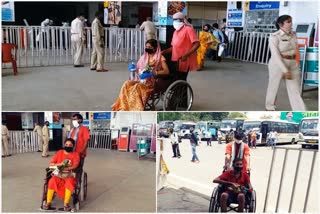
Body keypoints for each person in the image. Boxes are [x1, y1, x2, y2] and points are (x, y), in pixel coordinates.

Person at [111, 39, 169, 111]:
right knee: (126, 84)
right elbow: (139, 70)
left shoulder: (160, 58)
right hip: (140, 79)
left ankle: (135, 109)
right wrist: (133, 68)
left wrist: (153, 73)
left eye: (150, 47)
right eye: (146, 46)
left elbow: (166, 71)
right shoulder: (144, 57)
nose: (147, 48)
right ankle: (123, 107)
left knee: (136, 88)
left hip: (150, 83)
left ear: (155, 48)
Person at [265, 15, 306, 111]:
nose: (291, 23)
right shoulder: (274, 36)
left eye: (291, 21)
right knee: (273, 87)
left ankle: (300, 111)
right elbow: (275, 55)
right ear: (280, 24)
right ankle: (269, 107)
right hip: (277, 64)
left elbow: (296, 50)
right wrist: (284, 70)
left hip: (292, 63)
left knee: (295, 90)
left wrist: (297, 63)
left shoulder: (293, 35)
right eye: (288, 21)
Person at [42, 138, 80, 211]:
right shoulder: (59, 152)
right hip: (58, 174)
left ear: (73, 146)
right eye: (66, 144)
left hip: (69, 175)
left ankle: (66, 204)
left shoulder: (75, 154)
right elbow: (51, 163)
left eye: (70, 145)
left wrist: (67, 168)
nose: (68, 146)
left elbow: (75, 165)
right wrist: (60, 164)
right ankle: (48, 203)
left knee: (70, 182)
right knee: (51, 181)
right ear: (64, 145)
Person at [162, 12, 200, 81]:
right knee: (175, 79)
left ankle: (183, 91)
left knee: (181, 79)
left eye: (177, 19)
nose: (175, 22)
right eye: (174, 20)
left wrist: (186, 55)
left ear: (183, 20)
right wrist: (163, 52)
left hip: (185, 59)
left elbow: (197, 44)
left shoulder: (188, 29)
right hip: (176, 60)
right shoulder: (175, 32)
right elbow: (174, 47)